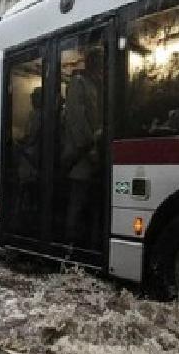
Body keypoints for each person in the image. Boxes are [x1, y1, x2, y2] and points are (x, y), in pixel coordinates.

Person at [62, 48, 103, 248]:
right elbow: (77, 119)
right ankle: (71, 242)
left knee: (91, 200)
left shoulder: (95, 84)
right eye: (99, 61)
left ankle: (88, 239)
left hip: (93, 151)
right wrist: (89, 146)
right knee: (78, 200)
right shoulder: (78, 83)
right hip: (83, 153)